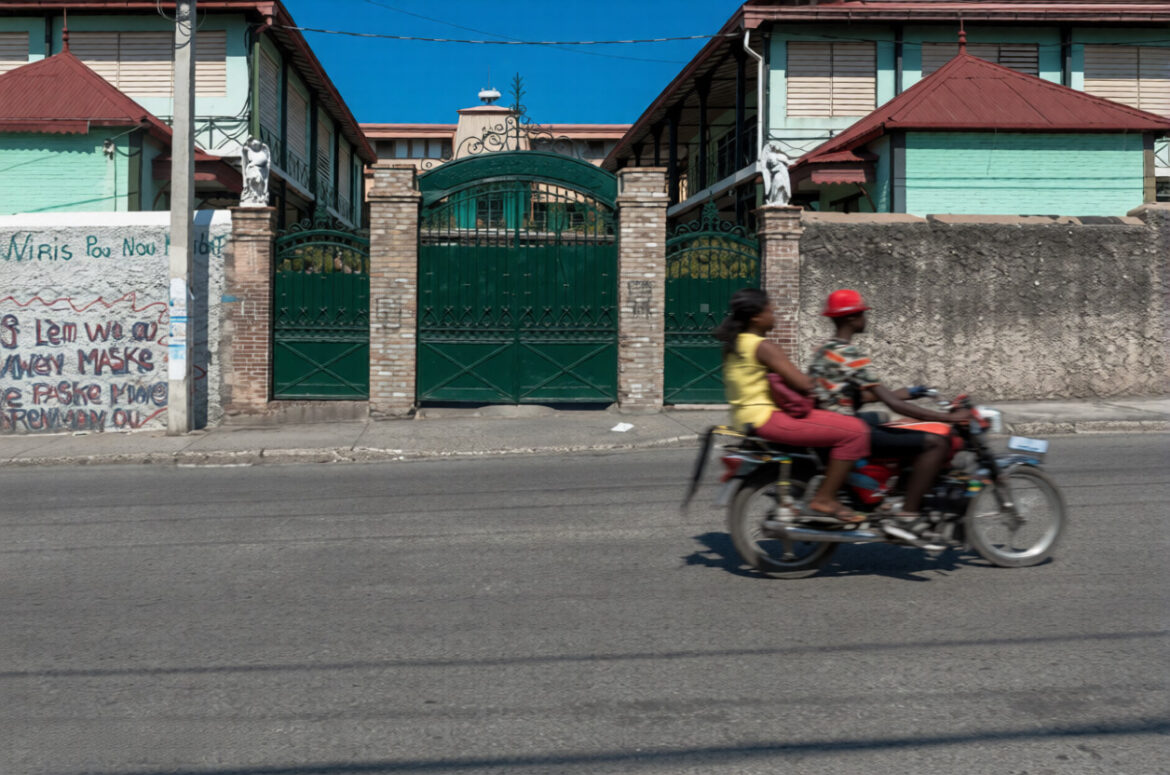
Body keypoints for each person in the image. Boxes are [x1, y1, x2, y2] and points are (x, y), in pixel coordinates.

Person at [808, 289, 971, 523]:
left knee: (888, 421)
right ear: (851, 318)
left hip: (831, 425)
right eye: (862, 314)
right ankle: (909, 513)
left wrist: (915, 391)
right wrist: (950, 419)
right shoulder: (849, 354)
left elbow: (866, 396)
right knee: (936, 442)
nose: (866, 319)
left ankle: (890, 486)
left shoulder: (825, 350)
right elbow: (893, 403)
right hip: (846, 430)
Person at [714, 288, 870, 522]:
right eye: (770, 310)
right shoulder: (762, 346)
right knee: (856, 432)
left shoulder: (736, 344)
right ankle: (824, 499)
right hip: (766, 418)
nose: (774, 315)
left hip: (746, 419)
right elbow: (804, 384)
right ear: (756, 317)